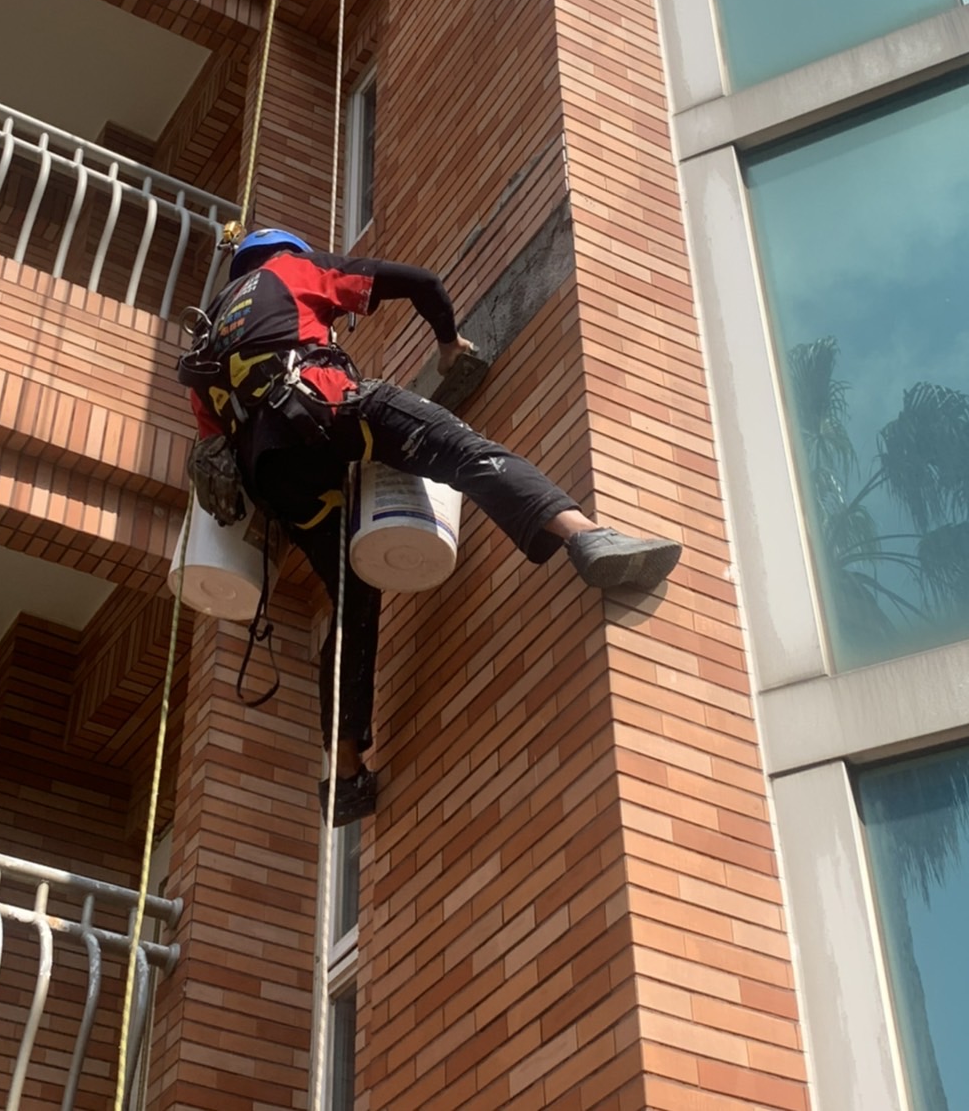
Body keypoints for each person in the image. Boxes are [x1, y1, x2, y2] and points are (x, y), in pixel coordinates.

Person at [180, 227, 681, 825]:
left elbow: (215, 447)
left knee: (352, 597)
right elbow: (420, 282)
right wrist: (448, 343)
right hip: (326, 407)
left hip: (281, 482)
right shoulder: (293, 272)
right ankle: (585, 536)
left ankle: (345, 773)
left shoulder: (206, 338)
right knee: (462, 450)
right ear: (285, 253)